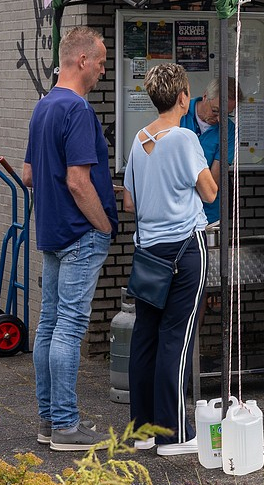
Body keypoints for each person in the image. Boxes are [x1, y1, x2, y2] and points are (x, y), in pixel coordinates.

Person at [23, 26, 118, 451]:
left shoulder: (43, 106)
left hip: (53, 231)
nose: (102, 70)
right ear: (82, 60)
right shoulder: (77, 110)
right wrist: (104, 224)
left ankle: (48, 421)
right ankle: (65, 426)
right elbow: (79, 181)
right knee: (70, 328)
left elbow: (29, 174)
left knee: (49, 326)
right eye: (100, 62)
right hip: (81, 233)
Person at [122, 64, 218, 456]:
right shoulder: (184, 138)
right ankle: (174, 434)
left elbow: (129, 202)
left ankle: (142, 430)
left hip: (148, 252)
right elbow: (210, 193)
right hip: (184, 250)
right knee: (175, 342)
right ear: (182, 97)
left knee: (145, 338)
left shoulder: (139, 138)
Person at [179, 77, 238, 226]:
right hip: (176, 210)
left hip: (208, 213)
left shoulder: (229, 129)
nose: (219, 119)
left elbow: (214, 179)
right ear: (205, 96)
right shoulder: (180, 113)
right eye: (215, 111)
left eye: (226, 114)